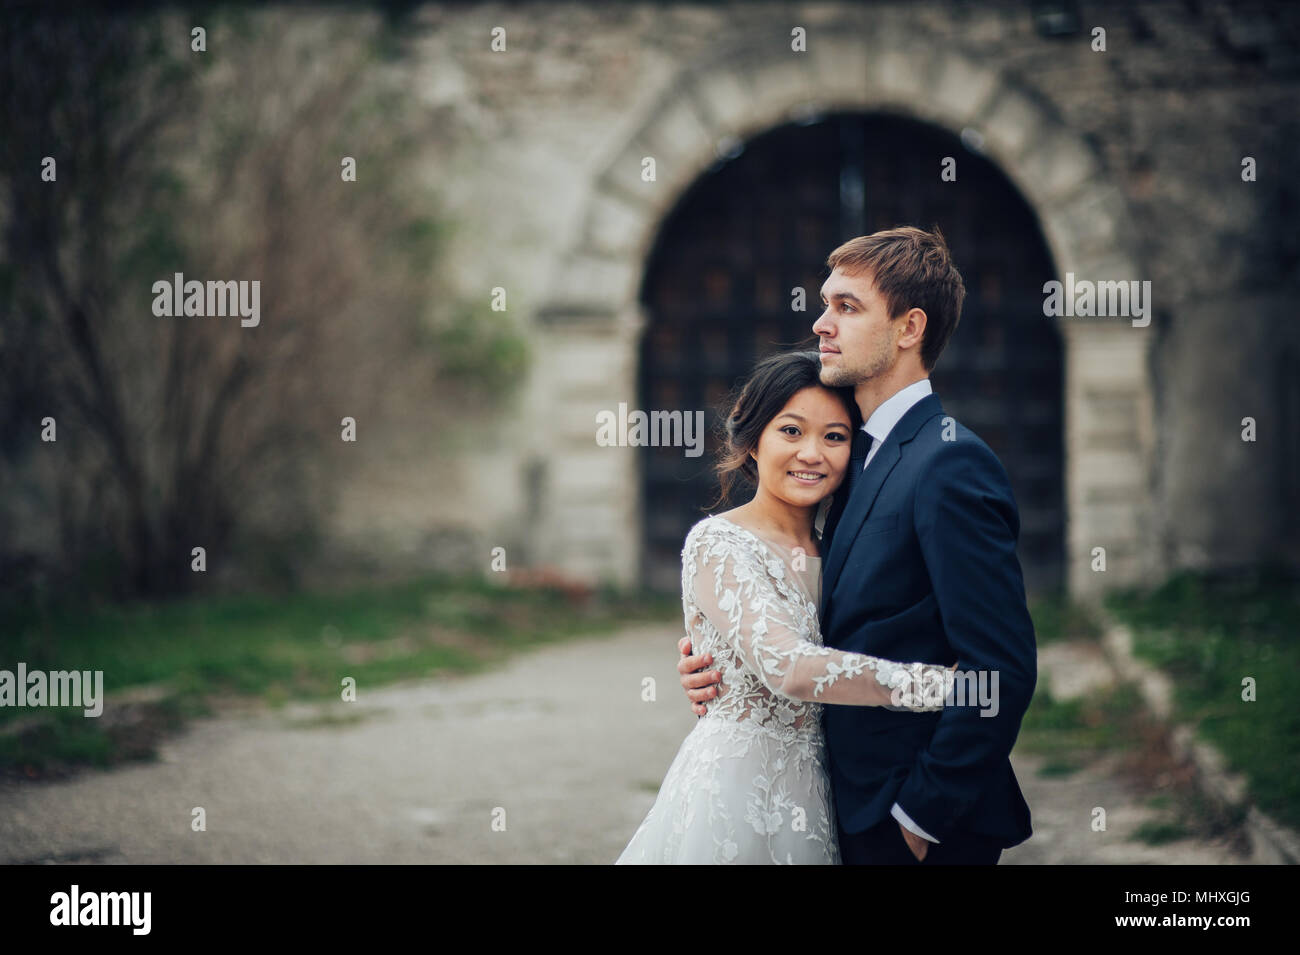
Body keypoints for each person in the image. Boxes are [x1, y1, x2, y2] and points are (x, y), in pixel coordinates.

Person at [680, 226, 1037, 865]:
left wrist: (918, 818)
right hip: (837, 805)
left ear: (909, 328)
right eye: (824, 304)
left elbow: (1000, 668)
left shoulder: (949, 463)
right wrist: (722, 658)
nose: (821, 323)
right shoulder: (853, 459)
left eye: (846, 307)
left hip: (913, 817)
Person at [616, 350, 955, 864]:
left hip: (823, 789)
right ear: (752, 441)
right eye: (791, 431)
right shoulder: (719, 542)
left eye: (834, 436)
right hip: (737, 789)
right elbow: (789, 666)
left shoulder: (841, 546)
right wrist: (939, 686)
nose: (812, 454)